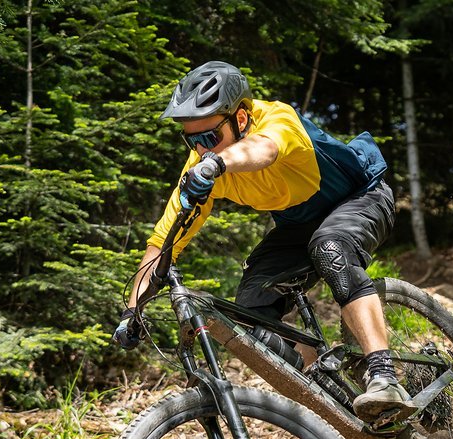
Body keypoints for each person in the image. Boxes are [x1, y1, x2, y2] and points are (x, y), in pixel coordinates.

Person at [112, 60, 414, 420]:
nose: (200, 149)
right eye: (190, 139)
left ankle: (383, 375)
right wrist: (132, 312)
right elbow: (163, 243)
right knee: (250, 316)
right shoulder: (202, 165)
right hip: (300, 224)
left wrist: (217, 163)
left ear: (240, 119)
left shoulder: (276, 119)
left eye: (208, 137)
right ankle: (334, 392)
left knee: (330, 248)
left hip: (361, 196)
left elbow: (263, 151)